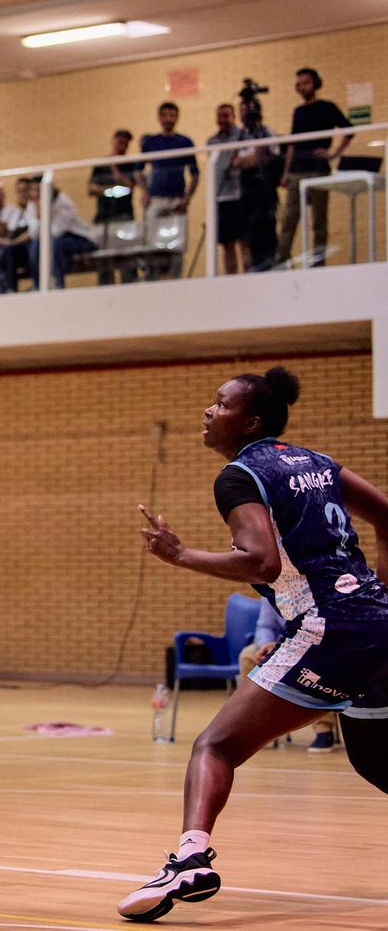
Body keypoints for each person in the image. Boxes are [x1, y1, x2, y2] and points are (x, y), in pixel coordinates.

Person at [119, 366, 388, 922]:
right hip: (379, 623)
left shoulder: (241, 475)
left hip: (328, 628)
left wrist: (180, 555)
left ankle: (190, 860)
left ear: (251, 421)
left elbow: (261, 560)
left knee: (214, 746)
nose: (209, 412)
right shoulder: (317, 463)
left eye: (220, 404)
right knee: (376, 760)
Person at [278, 67, 354, 266]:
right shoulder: (298, 111)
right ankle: (280, 262)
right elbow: (293, 144)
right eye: (299, 84)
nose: (302, 87)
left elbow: (349, 130)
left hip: (318, 168)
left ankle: (318, 264)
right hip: (296, 170)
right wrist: (286, 172)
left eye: (306, 82)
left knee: (319, 221)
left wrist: (333, 153)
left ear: (315, 84)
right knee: (289, 220)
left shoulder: (327, 107)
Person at [138, 102, 199, 253]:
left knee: (177, 245)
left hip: (177, 199)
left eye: (172, 116)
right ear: (159, 118)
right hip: (156, 198)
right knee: (152, 243)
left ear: (177, 118)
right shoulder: (151, 142)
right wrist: (144, 192)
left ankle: (176, 275)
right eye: (165, 115)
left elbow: (195, 173)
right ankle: (156, 276)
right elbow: (137, 170)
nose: (168, 119)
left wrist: (187, 198)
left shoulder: (185, 142)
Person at [237, 97, 282, 270]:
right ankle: (251, 265)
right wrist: (250, 159)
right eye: (242, 110)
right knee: (248, 229)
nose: (245, 114)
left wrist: (250, 160)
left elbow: (266, 157)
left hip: (265, 187)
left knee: (268, 226)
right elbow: (233, 161)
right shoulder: (239, 136)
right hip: (245, 189)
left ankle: (271, 263)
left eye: (248, 109)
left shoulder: (266, 132)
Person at [206, 103, 252, 274]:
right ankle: (230, 279)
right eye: (219, 116)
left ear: (233, 117)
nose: (222, 119)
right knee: (227, 243)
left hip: (239, 195)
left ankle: (249, 276)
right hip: (220, 197)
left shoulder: (242, 136)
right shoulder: (211, 141)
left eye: (226, 115)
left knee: (244, 241)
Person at [29, 180, 97, 289]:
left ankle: (59, 284)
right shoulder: (33, 204)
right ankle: (37, 285)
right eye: (33, 190)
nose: (36, 194)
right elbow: (33, 234)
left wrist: (43, 214)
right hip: (52, 239)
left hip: (78, 238)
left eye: (38, 190)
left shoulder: (63, 201)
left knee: (56, 245)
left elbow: (58, 230)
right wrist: (38, 214)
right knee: (35, 246)